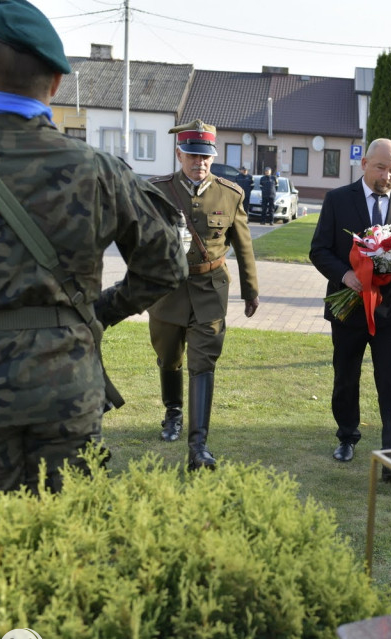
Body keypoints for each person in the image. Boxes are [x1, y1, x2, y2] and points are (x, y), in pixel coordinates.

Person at [0, 0, 187, 529]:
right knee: (70, 560)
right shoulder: (98, 171)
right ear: (55, 84)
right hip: (69, 395)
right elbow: (167, 265)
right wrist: (99, 311)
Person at [148, 119, 260, 471]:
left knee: (203, 363)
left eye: (206, 156)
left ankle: (198, 446)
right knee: (169, 357)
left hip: (210, 290)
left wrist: (251, 291)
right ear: (180, 154)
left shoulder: (230, 194)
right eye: (193, 156)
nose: (200, 163)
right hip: (167, 290)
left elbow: (243, 248)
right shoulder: (157, 190)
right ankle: (173, 411)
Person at [309, 138, 391, 478]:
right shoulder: (337, 200)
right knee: (347, 376)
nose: (388, 176)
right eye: (381, 167)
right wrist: (345, 275)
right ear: (363, 164)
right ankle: (347, 435)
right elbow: (319, 249)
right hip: (349, 309)